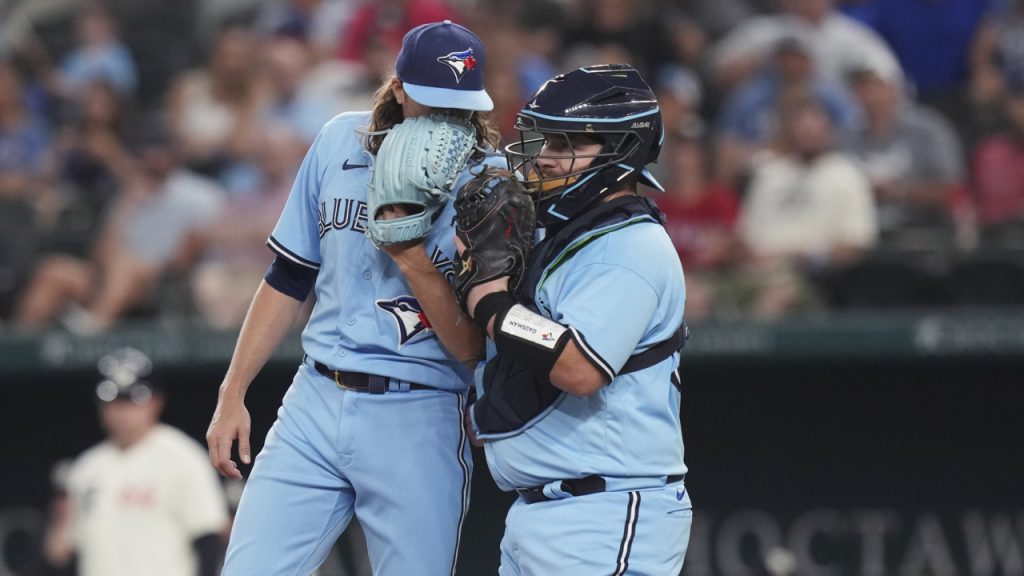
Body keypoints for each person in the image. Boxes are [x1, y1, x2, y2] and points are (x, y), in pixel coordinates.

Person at [205, 20, 500, 576]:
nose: (444, 118)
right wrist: (233, 391)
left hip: (421, 408)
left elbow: (471, 348)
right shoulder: (340, 139)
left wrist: (411, 255)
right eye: (431, 103)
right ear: (399, 89)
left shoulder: (488, 182)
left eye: (457, 105)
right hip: (315, 397)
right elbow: (289, 276)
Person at [460, 64, 691, 575]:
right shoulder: (564, 236)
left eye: (566, 145)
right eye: (545, 141)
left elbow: (578, 367)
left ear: (622, 152)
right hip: (549, 512)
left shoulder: (629, 246)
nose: (543, 158)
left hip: (604, 513)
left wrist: (490, 302)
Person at [41, 347, 228, 576]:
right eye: (114, 400)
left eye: (132, 400)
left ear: (156, 401)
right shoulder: (86, 468)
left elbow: (208, 540)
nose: (122, 411)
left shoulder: (183, 458)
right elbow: (63, 552)